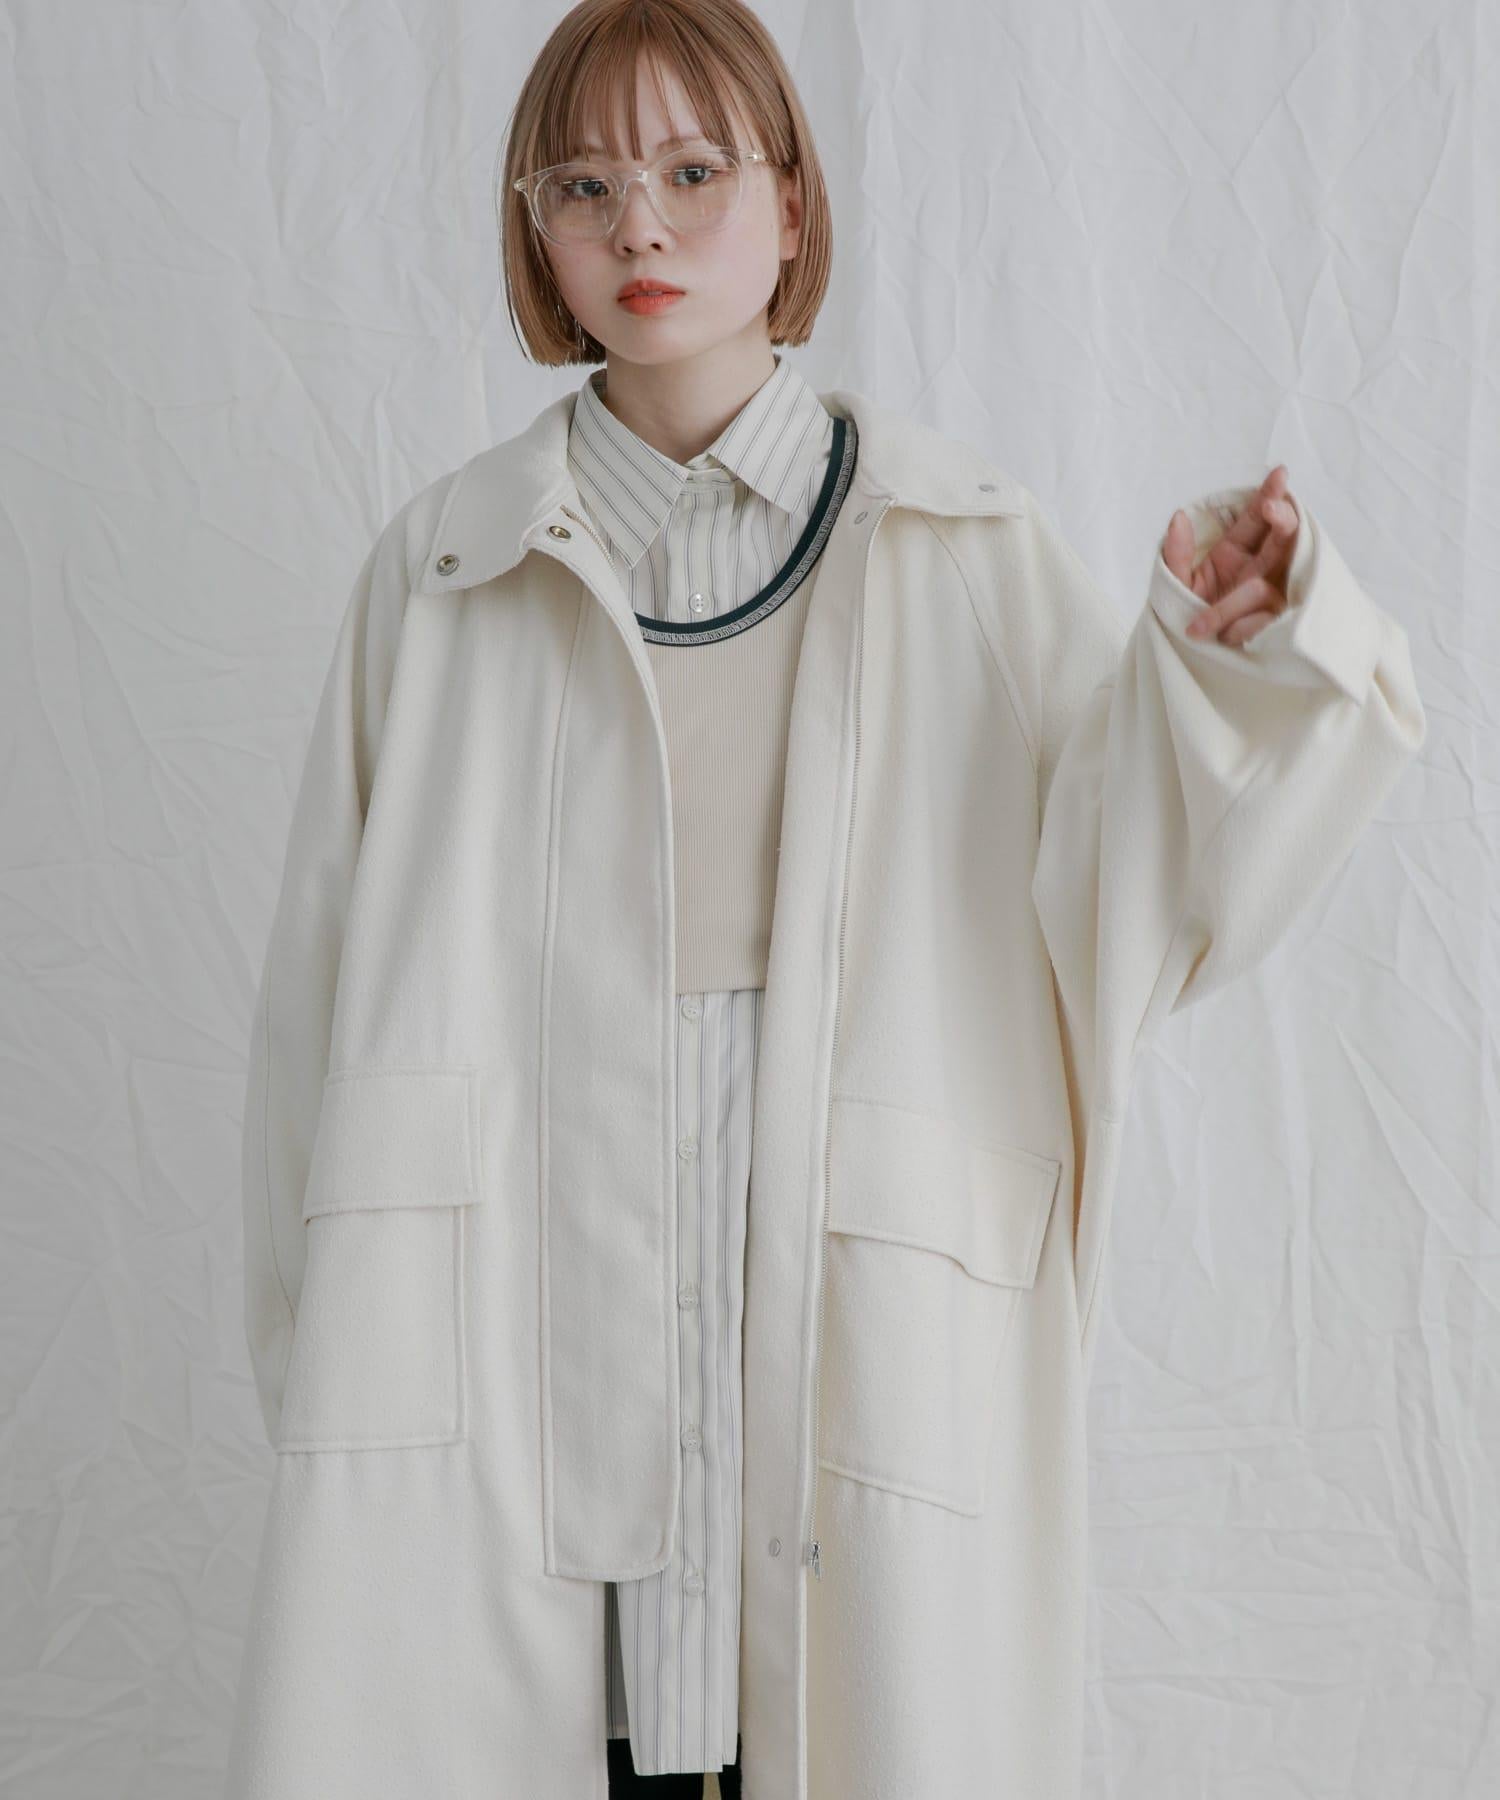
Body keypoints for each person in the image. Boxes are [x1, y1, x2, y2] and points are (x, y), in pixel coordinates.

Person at [226, 3, 1426, 1798]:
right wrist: (331, 1361)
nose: (640, 226)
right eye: (584, 185)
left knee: (836, 1702)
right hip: (527, 1287)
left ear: (791, 204)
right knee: (546, 1714)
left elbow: (1138, 888)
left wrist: (1227, 657)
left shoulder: (962, 546)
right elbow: (314, 1031)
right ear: (535, 230)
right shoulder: (446, 571)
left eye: (694, 171)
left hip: (845, 1282)